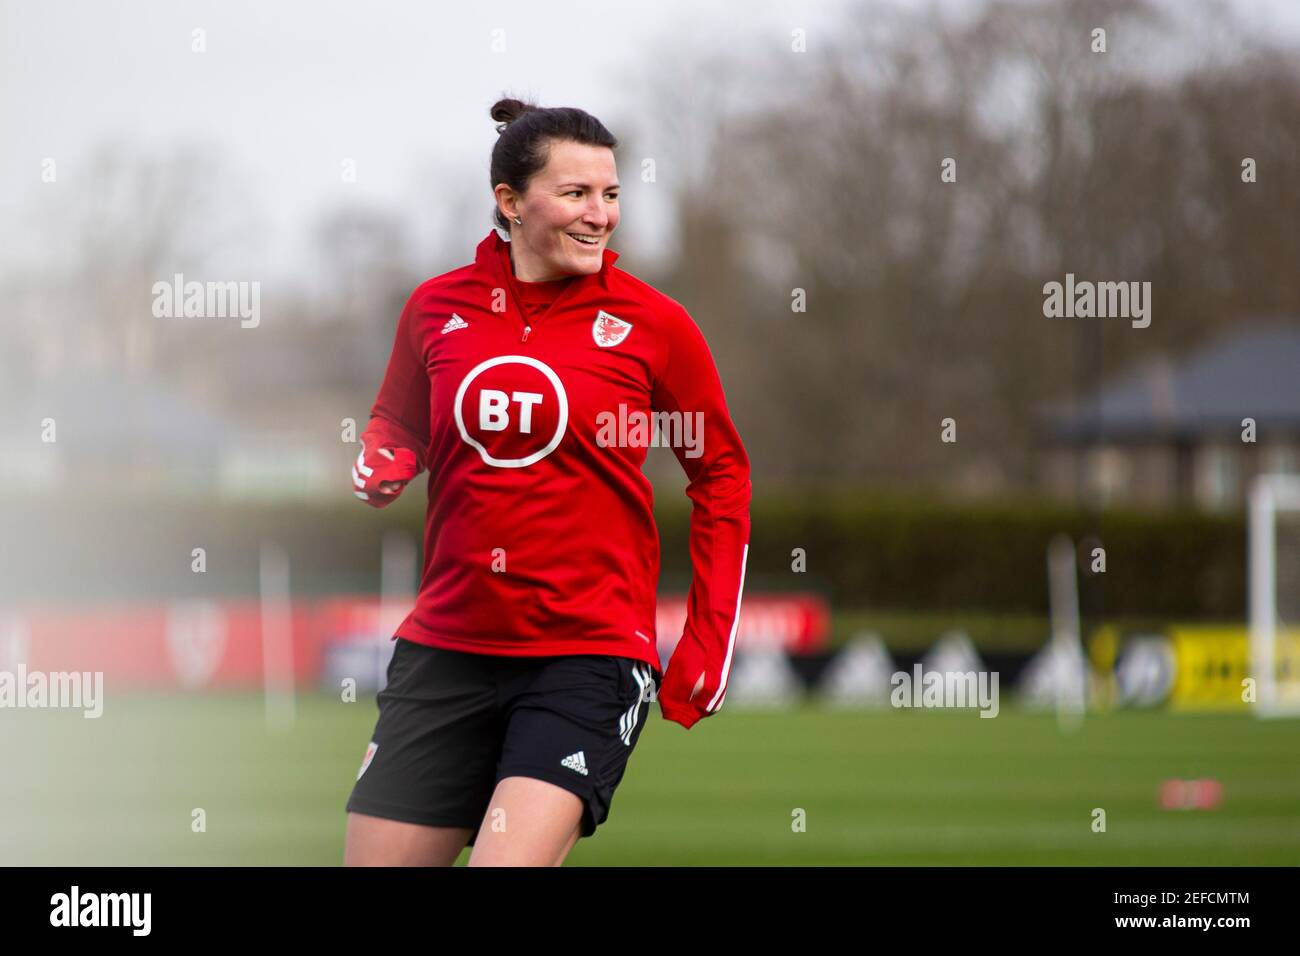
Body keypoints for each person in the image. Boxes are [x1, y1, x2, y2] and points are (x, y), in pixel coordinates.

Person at [343, 96, 751, 866]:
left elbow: (722, 472)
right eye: (576, 195)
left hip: (587, 656)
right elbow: (397, 422)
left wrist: (708, 636)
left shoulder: (655, 325)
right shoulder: (435, 308)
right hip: (445, 649)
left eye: (612, 195)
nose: (601, 216)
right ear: (510, 202)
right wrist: (386, 455)